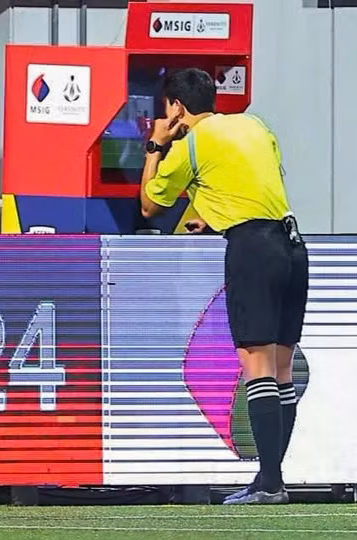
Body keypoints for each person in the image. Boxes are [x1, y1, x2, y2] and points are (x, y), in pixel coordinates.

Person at [139, 68, 308, 505]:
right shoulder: (254, 125)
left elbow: (150, 205)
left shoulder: (190, 144)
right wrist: (214, 216)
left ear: (177, 107)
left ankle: (269, 484)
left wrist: (156, 145)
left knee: (256, 363)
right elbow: (258, 186)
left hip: (253, 249)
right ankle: (271, 477)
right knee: (282, 368)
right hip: (292, 245)